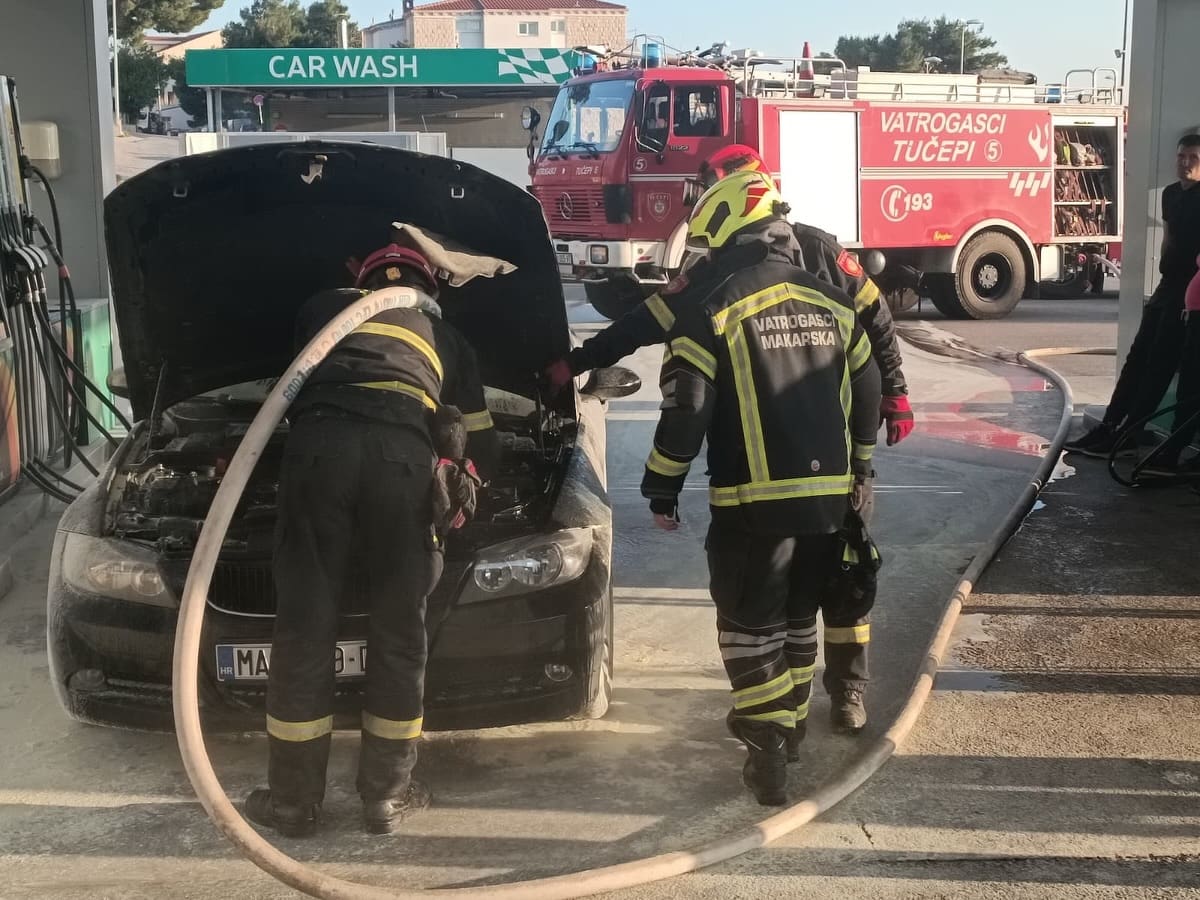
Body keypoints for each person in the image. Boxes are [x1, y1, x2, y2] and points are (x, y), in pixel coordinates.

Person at [640, 171, 882, 806]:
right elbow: (870, 383)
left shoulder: (713, 307)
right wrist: (862, 466)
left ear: (722, 232)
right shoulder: (832, 300)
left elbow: (686, 408)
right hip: (830, 508)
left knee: (749, 633)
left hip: (751, 511)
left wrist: (660, 485)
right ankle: (792, 726)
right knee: (801, 622)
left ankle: (770, 747)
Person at [244, 243, 498, 837]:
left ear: (361, 277)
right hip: (402, 463)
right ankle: (385, 797)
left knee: (304, 630)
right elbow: (480, 440)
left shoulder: (324, 307)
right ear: (427, 285)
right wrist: (468, 479)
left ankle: (292, 804)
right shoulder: (448, 336)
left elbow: (287, 387)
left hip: (318, 455)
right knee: (399, 630)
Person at [545, 144, 913, 448]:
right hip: (758, 429)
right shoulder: (713, 268)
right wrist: (577, 362)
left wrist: (895, 392)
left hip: (829, 419)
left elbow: (875, 316)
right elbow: (645, 321)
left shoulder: (820, 251)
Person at [1066, 134, 1200, 459]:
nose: (1184, 163)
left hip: (1190, 288)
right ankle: (1111, 425)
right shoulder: (1171, 195)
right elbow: (1168, 239)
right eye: (1181, 156)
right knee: (1137, 358)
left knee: (1160, 364)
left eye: (1192, 158)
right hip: (1167, 285)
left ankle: (1132, 431)